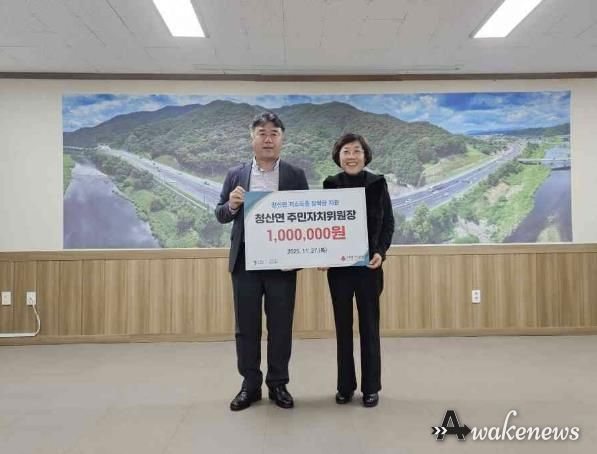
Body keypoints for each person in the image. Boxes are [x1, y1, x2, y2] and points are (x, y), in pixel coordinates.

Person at [215, 112, 309, 411]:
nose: (268, 139)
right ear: (252, 138)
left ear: (282, 138)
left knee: (281, 325)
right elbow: (220, 214)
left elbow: (306, 218)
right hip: (245, 261)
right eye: (262, 133)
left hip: (282, 263)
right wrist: (232, 205)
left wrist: (305, 255)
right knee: (246, 326)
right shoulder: (236, 174)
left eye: (274, 133)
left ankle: (278, 383)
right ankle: (250, 384)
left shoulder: (295, 175)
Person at [320, 133, 394, 408]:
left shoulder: (377, 184)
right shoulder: (330, 184)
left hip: (369, 269)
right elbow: (323, 225)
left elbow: (388, 224)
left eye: (357, 151)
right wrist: (322, 254)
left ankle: (371, 388)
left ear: (365, 155)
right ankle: (345, 386)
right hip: (339, 270)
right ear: (338, 156)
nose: (351, 156)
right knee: (342, 329)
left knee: (369, 329)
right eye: (346, 151)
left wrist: (380, 252)